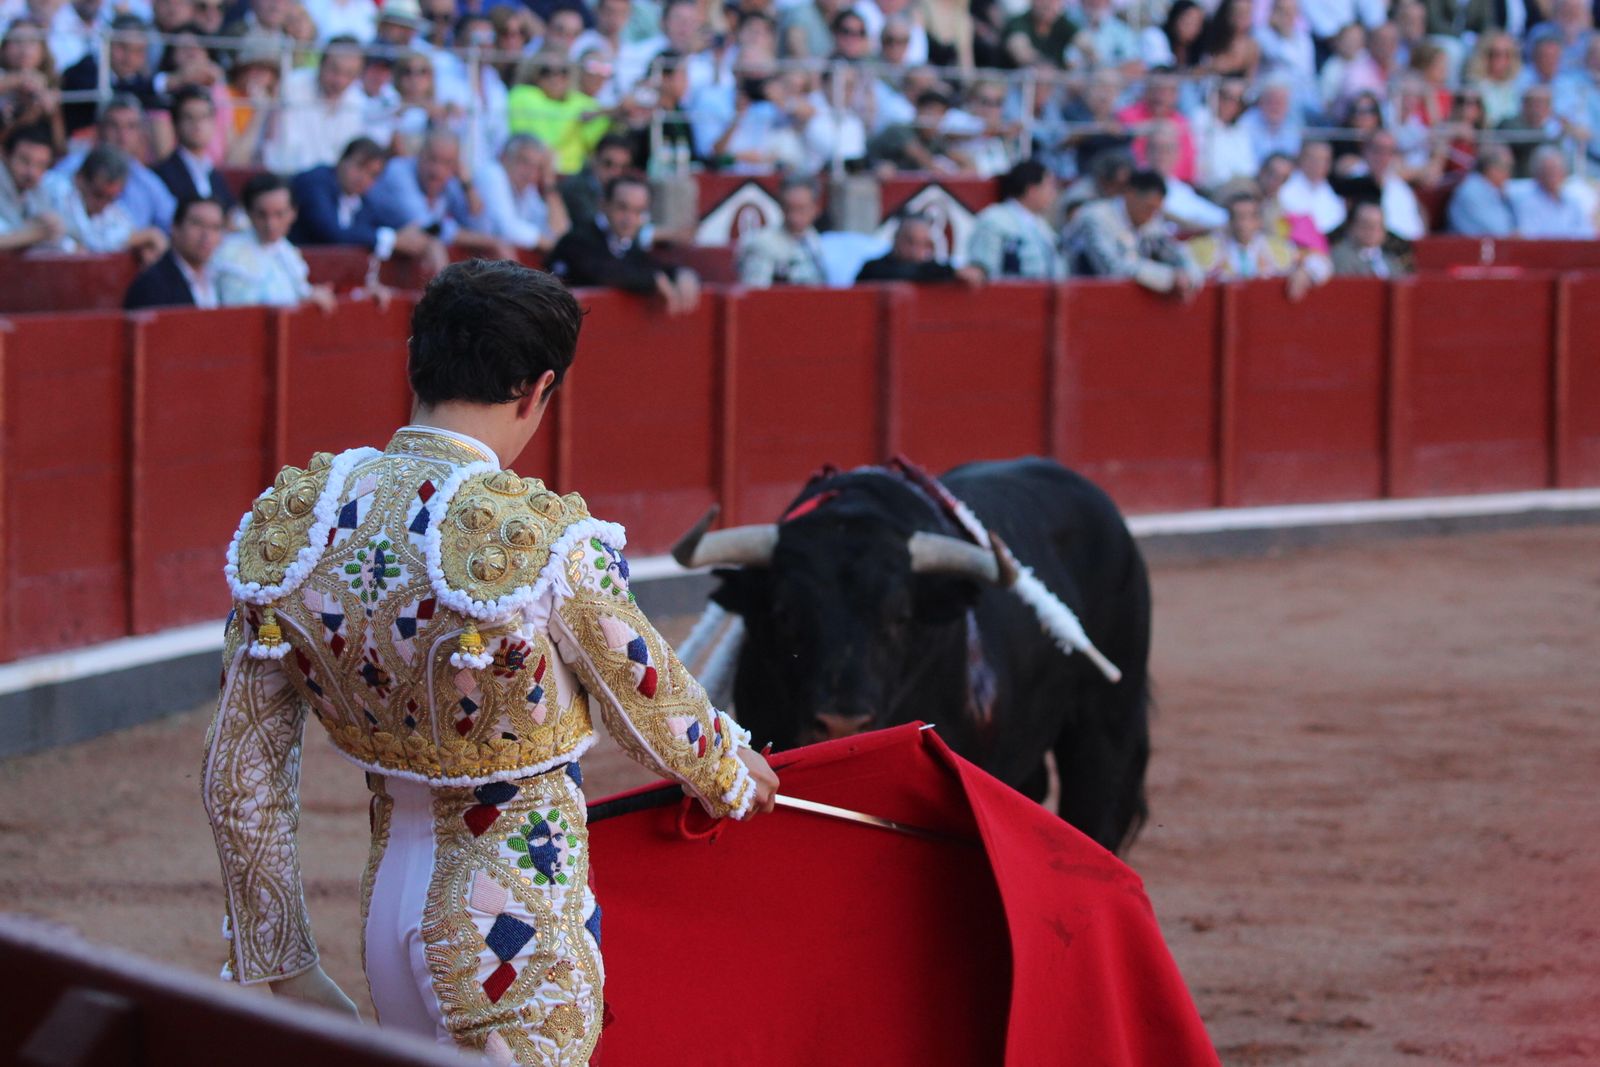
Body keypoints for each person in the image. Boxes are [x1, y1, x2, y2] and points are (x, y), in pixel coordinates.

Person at [200, 257, 779, 1063]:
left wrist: (284, 961)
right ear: (538, 389)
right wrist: (731, 773)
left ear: (416, 363)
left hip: (386, 911)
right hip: (514, 911)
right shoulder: (539, 538)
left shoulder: (299, 524)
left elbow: (239, 776)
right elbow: (651, 697)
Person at [289, 135, 447, 272]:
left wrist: (428, 240)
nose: (363, 178)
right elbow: (333, 233)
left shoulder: (363, 200)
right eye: (359, 166)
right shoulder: (315, 183)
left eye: (372, 175)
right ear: (342, 160)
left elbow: (397, 224)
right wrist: (392, 240)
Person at [549, 173, 700, 313]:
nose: (630, 219)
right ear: (604, 204)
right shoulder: (579, 238)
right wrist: (653, 279)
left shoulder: (626, 242)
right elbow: (603, 272)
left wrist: (680, 273)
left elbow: (645, 265)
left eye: (638, 211)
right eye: (622, 208)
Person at [366, 129, 513, 260]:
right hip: (363, 244)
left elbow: (481, 227)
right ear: (420, 154)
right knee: (434, 246)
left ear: (456, 165)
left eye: (446, 163)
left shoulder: (451, 183)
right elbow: (428, 226)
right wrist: (491, 242)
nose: (437, 171)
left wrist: (468, 186)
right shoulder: (397, 172)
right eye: (432, 159)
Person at [1063, 168, 1202, 297]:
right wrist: (1169, 278)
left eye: (1156, 210)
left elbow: (1175, 254)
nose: (1151, 215)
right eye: (1148, 207)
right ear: (1130, 194)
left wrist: (1190, 274)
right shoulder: (1095, 217)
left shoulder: (1150, 222)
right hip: (1079, 298)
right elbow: (1111, 269)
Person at [213, 172, 338, 310]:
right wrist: (304, 300)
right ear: (249, 213)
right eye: (262, 214)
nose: (270, 224)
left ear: (293, 213)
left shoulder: (288, 251)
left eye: (279, 214)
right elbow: (243, 310)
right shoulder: (230, 253)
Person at [1186, 190, 1329, 300]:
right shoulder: (1207, 247)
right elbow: (1178, 258)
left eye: (1250, 216)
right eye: (1238, 217)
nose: (1243, 224)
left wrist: (1304, 273)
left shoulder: (1277, 249)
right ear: (1229, 220)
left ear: (1259, 221)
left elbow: (1322, 262)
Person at [40, 144, 167, 261]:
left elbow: (123, 231)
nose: (103, 204)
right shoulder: (55, 190)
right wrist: (144, 236)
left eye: (110, 198)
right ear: (80, 179)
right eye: (98, 195)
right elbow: (91, 241)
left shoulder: (111, 208)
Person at [263, 35, 366, 175]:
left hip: (331, 182)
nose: (340, 81)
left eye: (349, 74)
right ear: (321, 64)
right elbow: (281, 148)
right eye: (335, 70)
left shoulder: (357, 101)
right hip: (288, 174)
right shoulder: (292, 86)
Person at [57, 14, 160, 135]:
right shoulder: (83, 71)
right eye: (123, 47)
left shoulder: (141, 83)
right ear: (108, 43)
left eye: (138, 51)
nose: (129, 57)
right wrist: (159, 83)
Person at [966, 158, 1061, 280]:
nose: (1053, 193)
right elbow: (982, 270)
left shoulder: (1042, 225)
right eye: (1049, 186)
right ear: (1032, 190)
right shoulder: (994, 220)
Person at [124, 195, 225, 308]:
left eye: (215, 227)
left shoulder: (223, 278)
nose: (207, 236)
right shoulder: (152, 284)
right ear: (175, 227)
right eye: (197, 224)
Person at [478, 133, 572, 253]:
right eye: (524, 162)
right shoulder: (492, 173)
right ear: (504, 157)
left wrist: (549, 179)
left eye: (537, 167)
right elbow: (507, 228)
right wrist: (553, 245)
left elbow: (560, 231)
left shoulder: (526, 188)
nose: (530, 173)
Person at [152, 86, 239, 217]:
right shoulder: (161, 175)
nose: (197, 124)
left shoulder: (215, 174)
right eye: (189, 117)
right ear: (176, 124)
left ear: (213, 123)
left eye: (204, 117)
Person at [736, 176, 826, 287]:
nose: (794, 217)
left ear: (815, 208)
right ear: (781, 207)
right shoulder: (762, 244)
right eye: (789, 208)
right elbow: (756, 294)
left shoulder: (817, 240)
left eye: (802, 209)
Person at [855, 212, 983, 283]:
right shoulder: (873, 269)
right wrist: (953, 272)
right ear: (897, 240)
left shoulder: (933, 269)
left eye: (925, 244)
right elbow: (906, 273)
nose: (918, 249)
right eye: (911, 242)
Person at [0, 122, 63, 252]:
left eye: (40, 165)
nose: (31, 172)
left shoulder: (38, 189)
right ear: (5, 155)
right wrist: (37, 233)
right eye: (24, 161)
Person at [1509, 144, 1596, 237]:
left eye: (1557, 170)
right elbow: (1529, 236)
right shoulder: (1526, 202)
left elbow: (1587, 234)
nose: (1553, 176)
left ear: (1564, 173)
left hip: (1572, 250)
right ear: (1538, 174)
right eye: (1548, 170)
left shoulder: (1573, 202)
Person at [1446, 142, 1517, 235]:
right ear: (1492, 169)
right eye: (1507, 168)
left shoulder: (1493, 190)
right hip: (1468, 247)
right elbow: (1498, 232)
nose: (1509, 174)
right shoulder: (1472, 191)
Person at [1277, 140, 1346, 234]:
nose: (1319, 165)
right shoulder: (1283, 187)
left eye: (1324, 160)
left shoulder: (1334, 197)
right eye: (1313, 159)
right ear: (1301, 159)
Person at [1331, 200, 1407, 276]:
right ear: (1352, 226)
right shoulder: (1341, 257)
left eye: (1378, 225)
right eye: (1366, 225)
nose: (1373, 230)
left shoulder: (1390, 260)